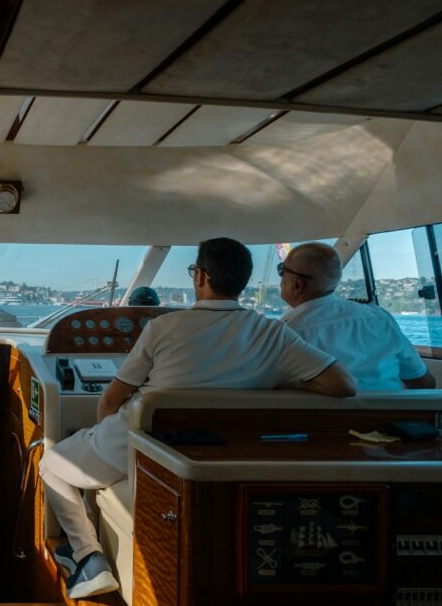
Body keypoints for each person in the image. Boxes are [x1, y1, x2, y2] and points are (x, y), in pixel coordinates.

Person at [40, 238, 356, 599]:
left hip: (138, 446)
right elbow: (343, 385)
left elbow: (111, 400)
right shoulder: (272, 332)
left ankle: (88, 557)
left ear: (201, 276)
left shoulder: (163, 328)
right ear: (243, 281)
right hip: (209, 457)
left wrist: (98, 438)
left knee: (52, 462)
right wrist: (274, 379)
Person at [278, 242, 436, 390]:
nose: (280, 280)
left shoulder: (286, 332)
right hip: (392, 417)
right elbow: (424, 382)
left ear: (297, 283)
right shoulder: (379, 317)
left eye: (282, 271)